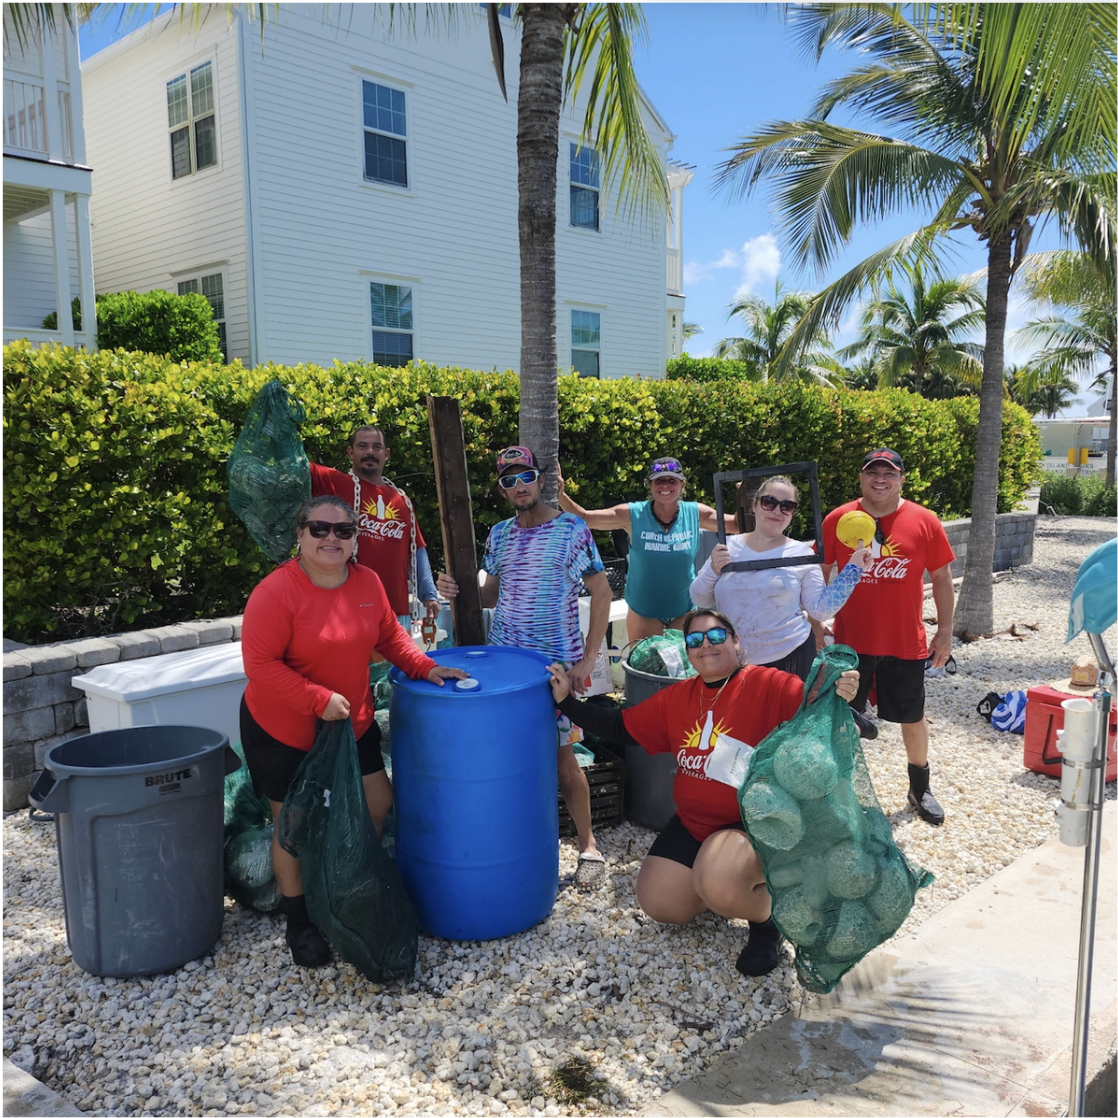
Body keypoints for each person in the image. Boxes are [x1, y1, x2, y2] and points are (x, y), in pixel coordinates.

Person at [547, 608, 861, 978]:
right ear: (688, 651)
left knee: (720, 882)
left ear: (736, 642)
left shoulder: (766, 683)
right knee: (661, 904)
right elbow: (621, 727)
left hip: (752, 823)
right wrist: (567, 702)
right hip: (695, 823)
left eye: (716, 636)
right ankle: (723, 886)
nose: (706, 645)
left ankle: (768, 918)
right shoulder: (679, 696)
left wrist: (841, 690)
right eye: (695, 639)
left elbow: (815, 700)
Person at [240, 495, 466, 967]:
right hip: (283, 729)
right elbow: (260, 666)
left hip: (350, 722)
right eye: (319, 529)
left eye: (343, 531)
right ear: (299, 534)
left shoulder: (367, 582)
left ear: (355, 539)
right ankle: (300, 921)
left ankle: (345, 883)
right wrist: (317, 700)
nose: (332, 538)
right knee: (293, 825)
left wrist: (426, 667)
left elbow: (390, 637)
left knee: (378, 801)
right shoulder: (275, 592)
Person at [436, 446, 613, 890]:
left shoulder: (571, 528)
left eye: (526, 476)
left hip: (556, 669)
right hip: (507, 669)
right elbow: (490, 595)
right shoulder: (499, 535)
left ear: (541, 479)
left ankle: (588, 845)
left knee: (564, 759)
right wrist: (453, 588)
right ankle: (514, 842)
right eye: (509, 481)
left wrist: (588, 660)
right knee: (508, 756)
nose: (519, 486)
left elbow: (602, 592)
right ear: (502, 490)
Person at [822, 448, 956, 826]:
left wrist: (945, 631)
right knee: (841, 719)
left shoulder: (924, 520)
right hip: (850, 643)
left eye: (889, 473)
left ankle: (920, 788)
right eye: (873, 472)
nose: (880, 479)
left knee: (912, 716)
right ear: (861, 477)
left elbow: (942, 577)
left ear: (901, 479)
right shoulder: (838, 519)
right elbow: (821, 570)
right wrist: (817, 626)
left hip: (904, 641)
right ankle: (837, 794)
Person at [690, 474, 872, 679]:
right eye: (769, 502)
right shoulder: (726, 548)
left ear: (793, 513)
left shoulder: (802, 554)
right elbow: (700, 598)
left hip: (791, 658)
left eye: (787, 506)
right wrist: (713, 569)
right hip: (734, 660)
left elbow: (820, 610)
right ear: (754, 505)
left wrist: (853, 570)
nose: (777, 511)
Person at [557, 456, 735, 642]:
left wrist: (747, 491)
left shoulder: (694, 513)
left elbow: (736, 525)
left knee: (687, 662)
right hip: (643, 614)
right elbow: (585, 518)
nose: (665, 486)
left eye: (672, 480)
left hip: (684, 612)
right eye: (659, 480)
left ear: (682, 485)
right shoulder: (633, 514)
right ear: (649, 485)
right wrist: (560, 494)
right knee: (643, 661)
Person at [309, 425, 440, 626]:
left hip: (397, 614)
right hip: (347, 611)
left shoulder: (402, 500)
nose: (370, 451)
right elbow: (294, 462)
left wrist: (429, 594)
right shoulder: (335, 482)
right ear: (350, 452)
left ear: (386, 454)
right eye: (362, 446)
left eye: (376, 447)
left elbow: (415, 551)